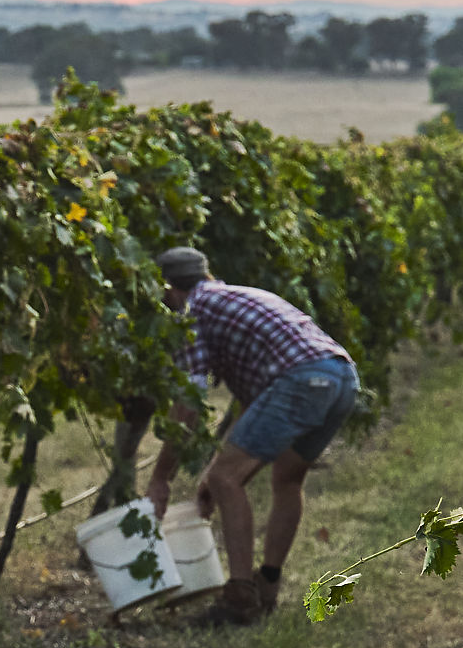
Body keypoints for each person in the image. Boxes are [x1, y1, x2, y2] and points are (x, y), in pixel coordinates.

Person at [145, 247, 359, 626]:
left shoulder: (191, 313)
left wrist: (162, 477)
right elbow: (253, 404)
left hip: (301, 379)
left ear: (169, 290)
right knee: (286, 478)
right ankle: (268, 585)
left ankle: (240, 598)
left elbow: (188, 406)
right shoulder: (232, 296)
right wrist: (216, 468)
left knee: (228, 480)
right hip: (340, 376)